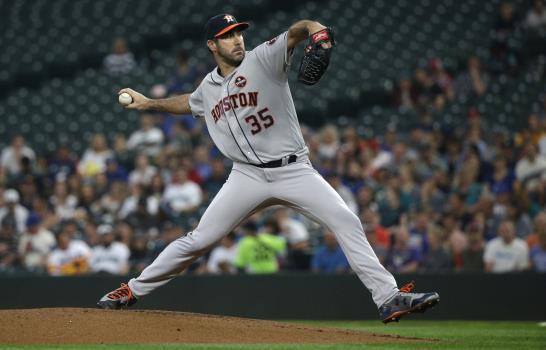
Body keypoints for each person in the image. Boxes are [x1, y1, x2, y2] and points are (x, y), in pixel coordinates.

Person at [97, 14, 439, 323]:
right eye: (228, 36)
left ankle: (389, 298)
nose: (237, 40)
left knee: (345, 220)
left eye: (238, 33)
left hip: (294, 169)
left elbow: (300, 29)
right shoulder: (208, 87)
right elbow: (189, 102)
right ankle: (132, 290)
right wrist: (150, 103)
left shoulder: (263, 57)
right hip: (245, 175)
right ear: (212, 45)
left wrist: (320, 34)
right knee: (199, 240)